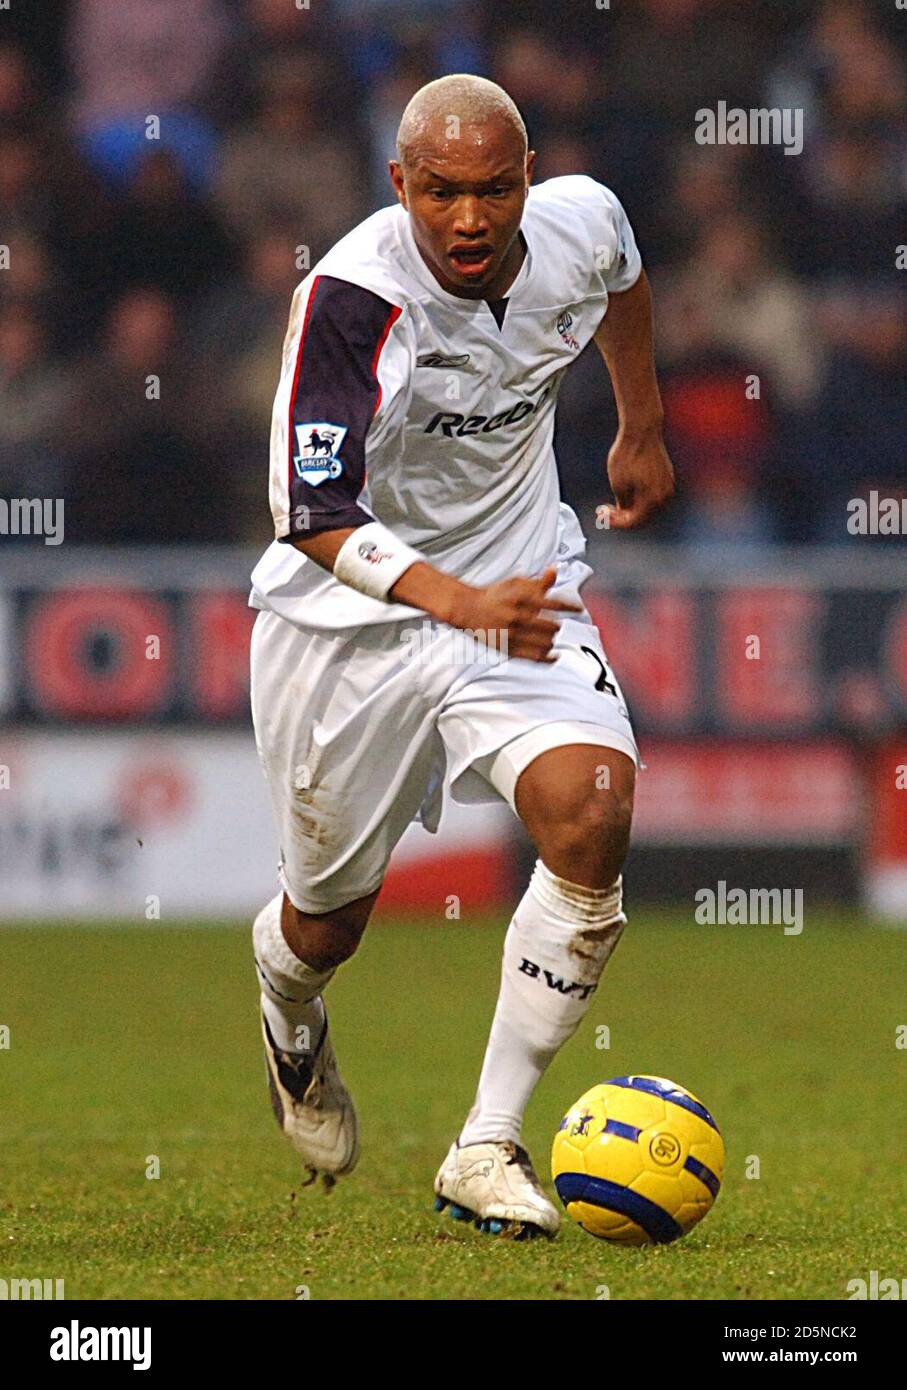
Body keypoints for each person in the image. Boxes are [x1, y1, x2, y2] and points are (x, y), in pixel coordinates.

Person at [248, 74, 673, 1238]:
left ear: (528, 181)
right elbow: (310, 505)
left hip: (520, 588)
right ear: (401, 185)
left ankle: (484, 1144)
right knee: (327, 922)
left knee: (592, 813)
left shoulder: (580, 220)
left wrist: (639, 422)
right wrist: (454, 599)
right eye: (442, 193)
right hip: (345, 624)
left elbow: (623, 273)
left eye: (494, 190)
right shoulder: (351, 296)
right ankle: (290, 1011)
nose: (471, 218)